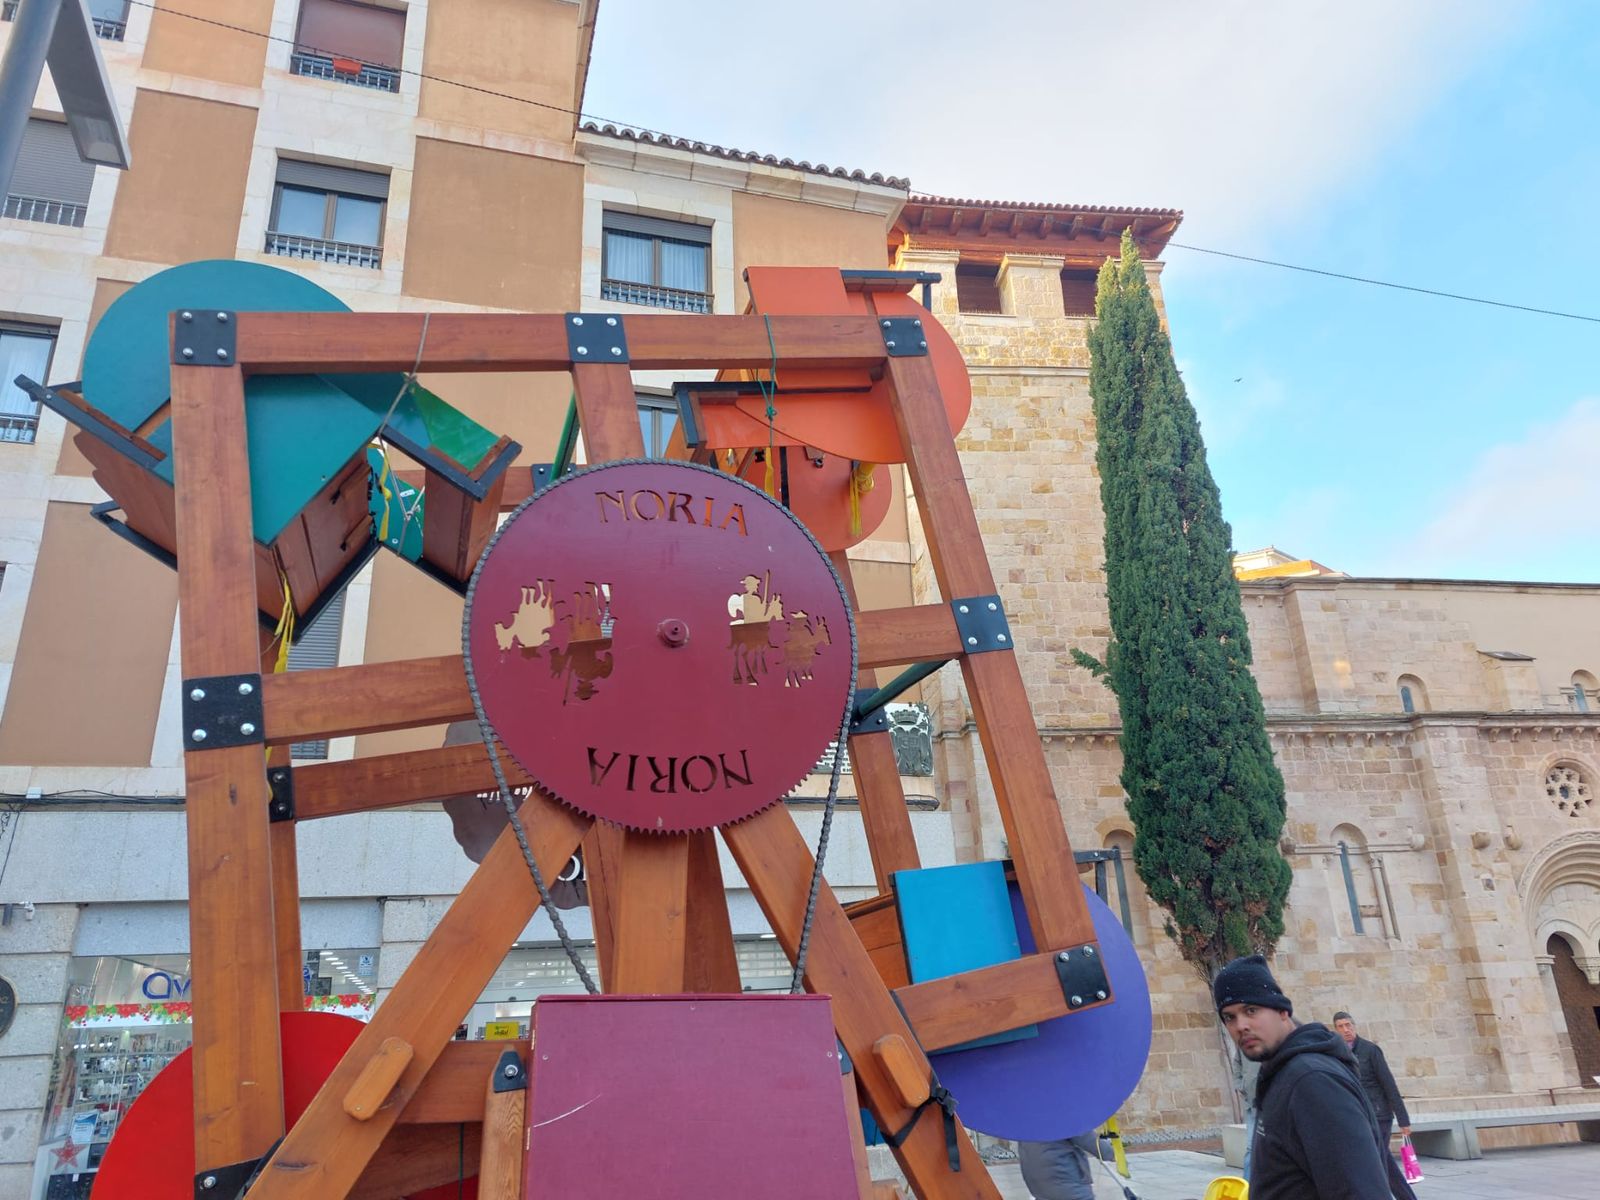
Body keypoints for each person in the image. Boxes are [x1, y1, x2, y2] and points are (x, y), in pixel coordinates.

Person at [1213, 955, 1391, 1199]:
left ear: (1282, 1011)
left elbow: (1360, 1191)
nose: (1240, 1025)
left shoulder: (1311, 1080)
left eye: (1251, 1010)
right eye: (1229, 1017)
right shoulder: (1282, 1072)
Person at [1333, 1011, 1417, 1200]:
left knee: (1375, 1161)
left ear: (1354, 1026)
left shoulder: (1370, 1050)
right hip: (1358, 1115)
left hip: (1379, 1115)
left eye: (1348, 1025)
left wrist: (1404, 1120)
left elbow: (1389, 1084)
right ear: (1336, 1030)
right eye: (1341, 1027)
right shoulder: (1338, 1054)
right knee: (1383, 1161)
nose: (1346, 1030)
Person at [1017, 1133, 1100, 1200]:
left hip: (1038, 1188)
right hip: (1069, 1187)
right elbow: (1094, 1144)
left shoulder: (1025, 1123)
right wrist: (1111, 1150)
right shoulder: (1065, 1117)